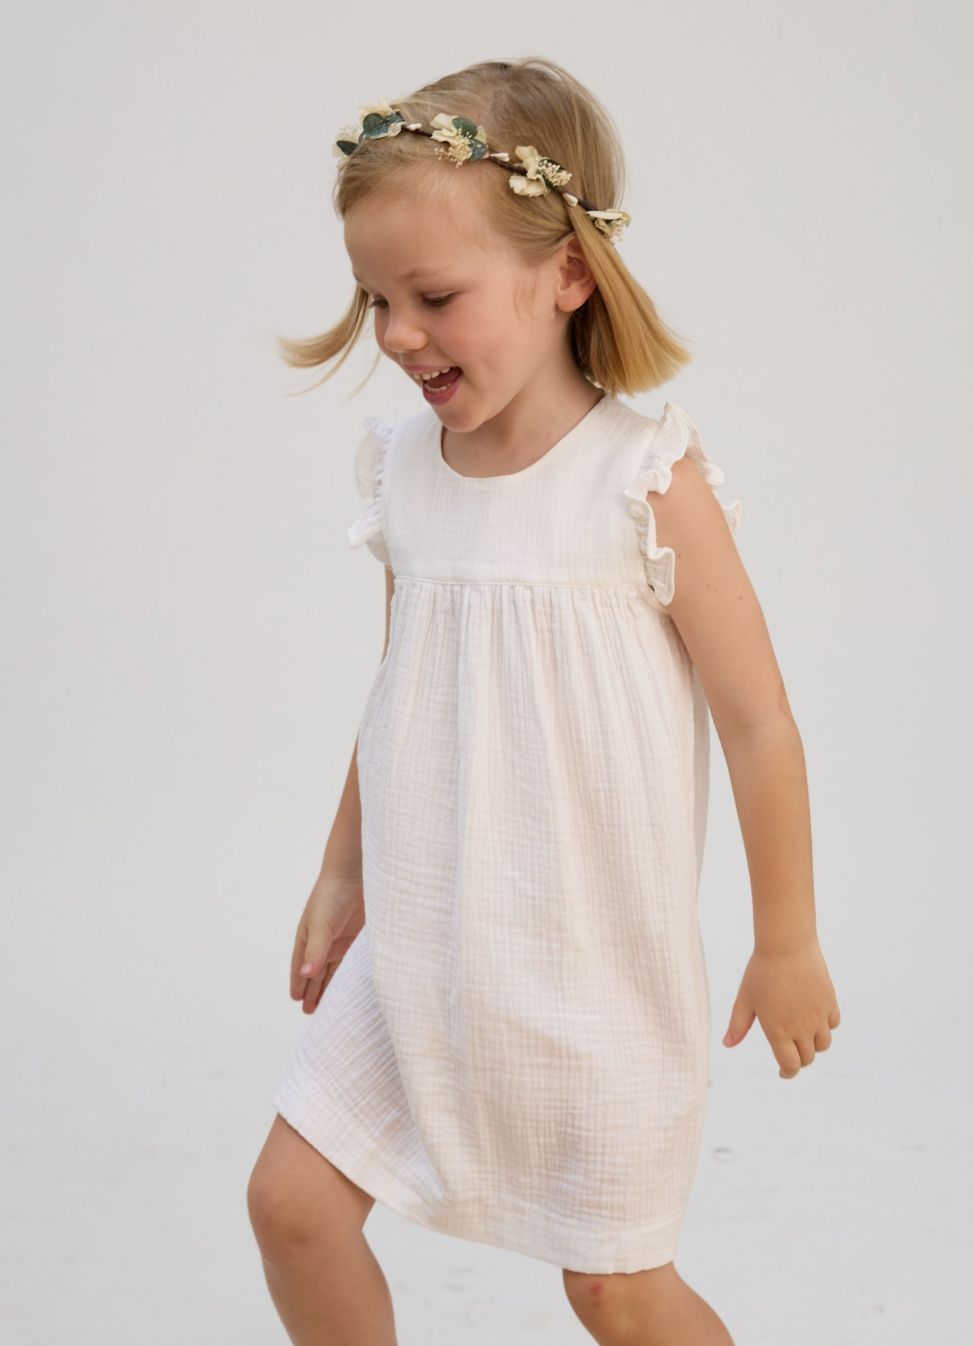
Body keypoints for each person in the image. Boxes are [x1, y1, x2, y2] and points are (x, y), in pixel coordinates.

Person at [247, 55, 840, 1346]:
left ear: (567, 273)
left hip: (586, 965)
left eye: (434, 297)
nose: (396, 335)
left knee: (613, 1287)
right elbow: (401, 687)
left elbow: (759, 724)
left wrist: (786, 937)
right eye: (376, 299)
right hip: (422, 935)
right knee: (290, 1204)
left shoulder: (643, 480)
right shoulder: (407, 470)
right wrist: (342, 871)